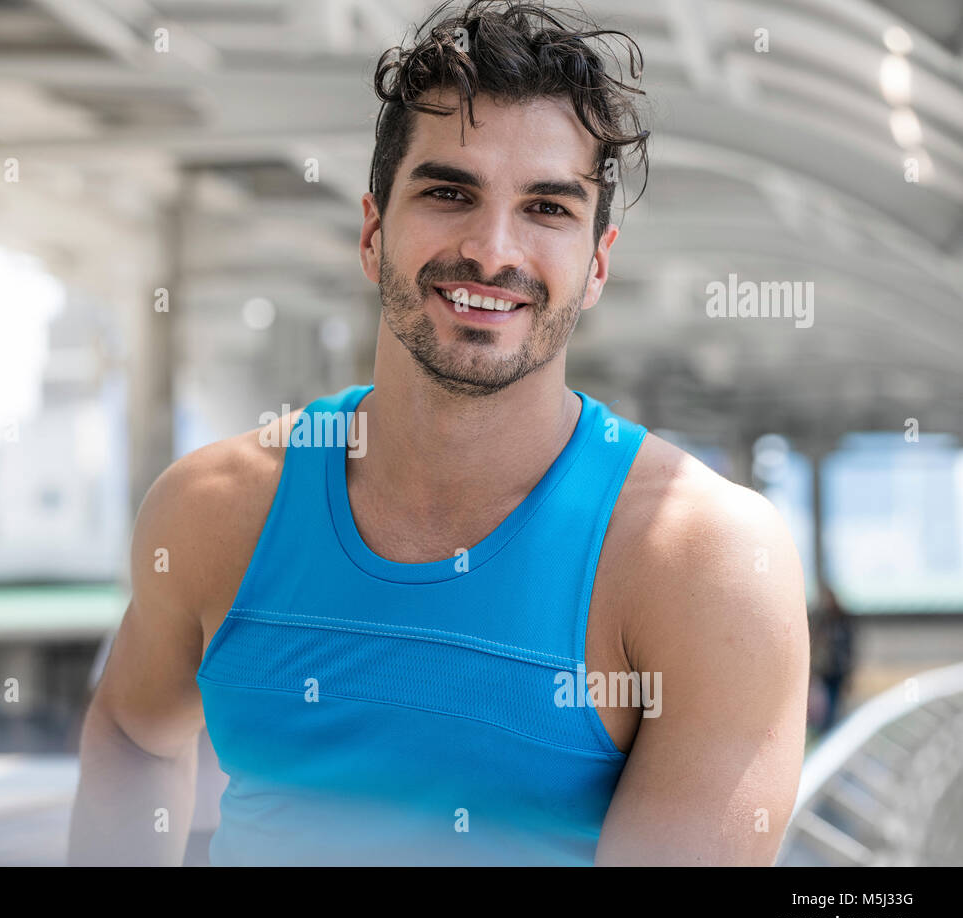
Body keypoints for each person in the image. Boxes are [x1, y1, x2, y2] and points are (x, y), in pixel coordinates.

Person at [69, 0, 810, 866]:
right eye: (450, 193)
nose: (492, 251)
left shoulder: (701, 564)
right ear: (373, 230)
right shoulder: (217, 510)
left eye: (547, 208)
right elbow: (131, 730)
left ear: (598, 261)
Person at [810, 584, 856, 732]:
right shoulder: (821, 620)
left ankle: (831, 729)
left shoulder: (843, 620)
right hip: (825, 671)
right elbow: (816, 645)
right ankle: (826, 730)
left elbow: (850, 648)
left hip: (839, 670)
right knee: (824, 705)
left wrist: (850, 672)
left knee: (836, 703)